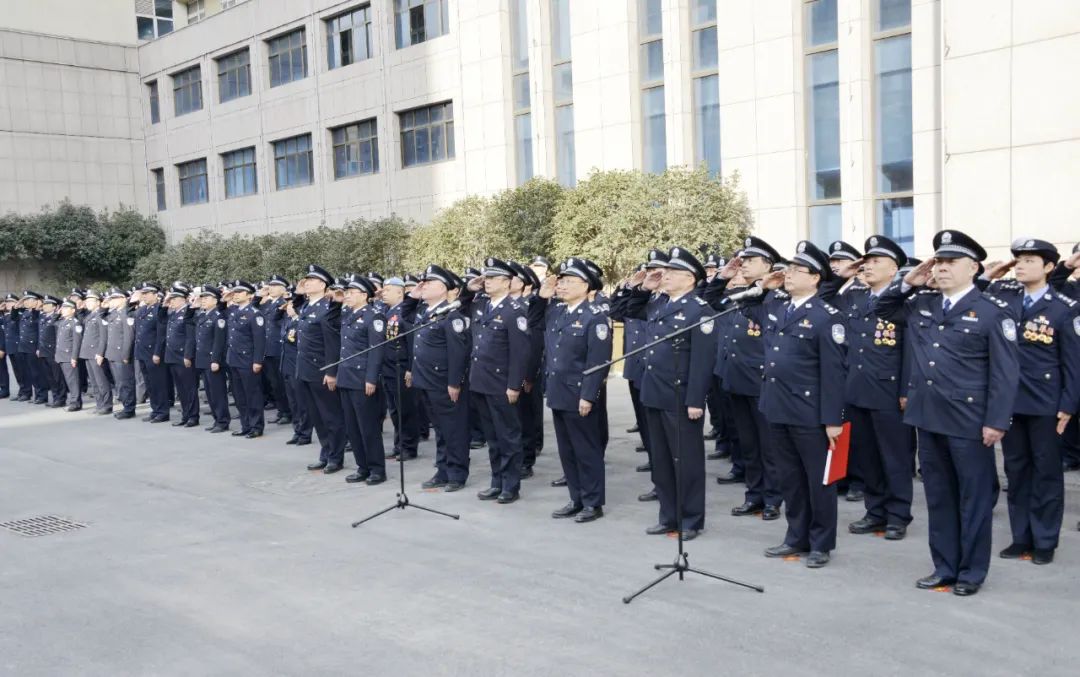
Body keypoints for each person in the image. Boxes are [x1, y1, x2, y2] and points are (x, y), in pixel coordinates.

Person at [876, 229, 1020, 596]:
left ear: (973, 268)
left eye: (951, 262)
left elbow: (1005, 374)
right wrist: (907, 282)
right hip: (928, 416)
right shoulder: (923, 303)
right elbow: (882, 309)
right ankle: (944, 567)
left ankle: (971, 572)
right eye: (938, 262)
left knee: (973, 499)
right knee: (939, 498)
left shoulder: (992, 312)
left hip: (969, 421)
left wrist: (996, 421)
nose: (941, 268)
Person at [981, 239, 1079, 564]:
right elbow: (975, 296)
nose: (1021, 266)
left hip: (1046, 404)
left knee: (1046, 473)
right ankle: (1021, 537)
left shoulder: (1063, 307)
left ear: (1049, 267)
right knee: (1017, 471)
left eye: (1029, 260)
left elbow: (1073, 363)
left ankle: (1045, 541)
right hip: (1009, 402)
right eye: (1018, 260)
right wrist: (989, 274)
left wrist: (1068, 406)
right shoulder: (1004, 299)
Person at [750, 241, 846, 568]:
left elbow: (834, 374)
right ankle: (796, 536)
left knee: (818, 481)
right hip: (777, 407)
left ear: (815, 277)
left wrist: (833, 420)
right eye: (787, 269)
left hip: (810, 412)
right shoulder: (778, 308)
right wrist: (763, 286)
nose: (788, 274)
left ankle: (821, 543)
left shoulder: (826, 317)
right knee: (789, 478)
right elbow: (742, 306)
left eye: (796, 270)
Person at [616, 247, 717, 540]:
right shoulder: (659, 303)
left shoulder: (699, 310)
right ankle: (668, 515)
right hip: (654, 392)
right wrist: (643, 289)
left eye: (673, 272)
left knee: (686, 461)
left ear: (690, 278)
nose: (665, 275)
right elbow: (627, 312)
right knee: (661, 461)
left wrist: (696, 400)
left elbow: (702, 361)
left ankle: (691, 519)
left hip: (680, 396)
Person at [833, 235, 916, 540]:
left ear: (894, 269)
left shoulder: (906, 303)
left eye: (875, 261)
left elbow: (911, 350)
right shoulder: (855, 298)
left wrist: (906, 390)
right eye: (865, 262)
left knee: (895, 457)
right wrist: (841, 275)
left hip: (889, 392)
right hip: (857, 389)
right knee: (866, 456)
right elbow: (825, 297)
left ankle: (898, 515)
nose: (867, 266)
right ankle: (875, 510)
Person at [703, 237, 785, 520]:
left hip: (762, 383)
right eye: (743, 261)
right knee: (748, 445)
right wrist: (722, 278)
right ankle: (754, 494)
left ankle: (773, 498)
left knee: (768, 446)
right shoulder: (743, 294)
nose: (744, 265)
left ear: (768, 265)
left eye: (750, 261)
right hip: (737, 380)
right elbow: (710, 301)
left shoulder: (778, 296)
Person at [539, 258, 612, 523]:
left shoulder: (595, 317)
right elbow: (534, 320)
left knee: (586, 451)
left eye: (570, 281)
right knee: (567, 451)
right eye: (562, 281)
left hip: (579, 394)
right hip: (558, 392)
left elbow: (598, 362)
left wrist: (588, 396)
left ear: (586, 285)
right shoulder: (558, 312)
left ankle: (593, 502)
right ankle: (576, 498)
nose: (563, 285)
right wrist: (542, 296)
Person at [465, 257, 531, 504]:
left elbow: (520, 353)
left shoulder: (514, 311)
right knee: (492, 438)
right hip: (480, 381)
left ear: (506, 282)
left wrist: (514, 385)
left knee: (508, 436)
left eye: (493, 278)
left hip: (501, 384)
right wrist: (470, 288)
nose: (487, 282)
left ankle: (510, 486)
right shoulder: (482, 305)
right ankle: (496, 482)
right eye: (486, 278)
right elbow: (461, 305)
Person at [404, 265, 472, 491]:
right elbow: (404, 315)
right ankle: (443, 470)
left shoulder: (452, 316)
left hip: (443, 383)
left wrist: (454, 382)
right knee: (441, 431)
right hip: (425, 381)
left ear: (443, 288)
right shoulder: (426, 312)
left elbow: (458, 353)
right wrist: (412, 296)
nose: (423, 286)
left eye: (429, 283)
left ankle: (457, 473)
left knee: (454, 429)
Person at [295, 264, 347, 474]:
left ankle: (336, 457)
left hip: (321, 370)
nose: (307, 283)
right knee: (317, 416)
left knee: (331, 416)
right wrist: (298, 292)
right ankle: (325, 453)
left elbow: (332, 343)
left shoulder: (327, 308)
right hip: (306, 370)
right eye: (306, 280)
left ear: (323, 284)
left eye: (312, 280)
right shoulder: (307, 307)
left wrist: (331, 372)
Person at [338, 275, 388, 485]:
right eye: (346, 292)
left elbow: (376, 351)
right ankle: (362, 466)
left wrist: (371, 378)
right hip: (346, 377)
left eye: (351, 292)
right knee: (352, 427)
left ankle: (377, 469)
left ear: (364, 295)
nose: (347, 295)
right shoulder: (348, 314)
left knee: (368, 426)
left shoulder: (374, 317)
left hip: (362, 379)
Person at [379, 277, 419, 462]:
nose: (383, 293)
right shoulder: (385, 311)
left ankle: (408, 446)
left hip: (401, 367)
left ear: (399, 292)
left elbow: (411, 342)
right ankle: (398, 444)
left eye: (388, 290)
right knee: (394, 410)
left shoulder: (405, 312)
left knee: (405, 409)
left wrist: (410, 369)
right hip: (387, 367)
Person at [226, 280, 266, 439]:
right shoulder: (233, 311)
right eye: (234, 292)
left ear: (249, 295)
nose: (235, 295)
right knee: (239, 396)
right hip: (234, 359)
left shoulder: (255, 314)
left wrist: (257, 361)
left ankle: (256, 426)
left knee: (252, 395)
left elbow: (259, 340)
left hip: (248, 360)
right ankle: (246, 425)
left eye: (239, 292)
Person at [195, 285, 230, 433]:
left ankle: (222, 421)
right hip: (203, 359)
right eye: (202, 298)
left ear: (215, 300)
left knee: (218, 393)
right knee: (210, 393)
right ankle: (217, 419)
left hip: (213, 360)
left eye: (206, 298)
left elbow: (219, 341)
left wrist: (215, 360)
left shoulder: (218, 317)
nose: (203, 300)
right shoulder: (203, 316)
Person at [163, 283, 199, 428]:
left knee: (189, 388)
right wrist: (164, 305)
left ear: (183, 299)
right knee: (181, 389)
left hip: (183, 356)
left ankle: (193, 416)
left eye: (174, 299)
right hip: (172, 356)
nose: (171, 301)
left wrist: (188, 356)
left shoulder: (188, 313)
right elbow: (160, 319)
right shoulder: (172, 313)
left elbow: (190, 337)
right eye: (170, 299)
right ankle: (185, 415)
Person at [135, 282, 170, 423]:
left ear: (156, 295)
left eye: (147, 293)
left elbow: (161, 334)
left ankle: (163, 412)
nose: (144, 296)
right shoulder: (141, 310)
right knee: (149, 384)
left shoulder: (159, 310)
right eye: (143, 294)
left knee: (158, 384)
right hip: (142, 352)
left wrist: (157, 353)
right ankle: (155, 409)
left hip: (153, 353)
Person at [281, 295, 312, 446]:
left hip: (297, 367)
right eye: (287, 306)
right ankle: (297, 430)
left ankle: (305, 433)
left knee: (301, 403)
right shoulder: (288, 322)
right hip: (287, 366)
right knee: (293, 403)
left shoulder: (300, 323)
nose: (288, 308)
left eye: (290, 306)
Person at [261, 275, 292, 426]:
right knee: (274, 384)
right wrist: (259, 295)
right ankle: (282, 410)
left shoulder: (285, 304)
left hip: (279, 349)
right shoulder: (268, 304)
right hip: (268, 349)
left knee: (282, 384)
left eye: (274, 286)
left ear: (283, 289)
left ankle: (288, 412)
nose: (271, 289)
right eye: (270, 286)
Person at [102, 287, 136, 419]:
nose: (112, 301)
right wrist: (104, 307)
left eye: (114, 298)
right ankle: (125, 405)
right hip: (112, 353)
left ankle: (129, 408)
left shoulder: (127, 314)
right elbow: (101, 317)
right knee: (119, 382)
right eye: (111, 299)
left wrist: (126, 355)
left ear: (123, 299)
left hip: (122, 354)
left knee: (126, 382)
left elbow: (129, 337)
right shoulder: (113, 314)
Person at [79, 290, 112, 414]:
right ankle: (99, 404)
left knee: (101, 380)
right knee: (94, 382)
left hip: (96, 352)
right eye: (86, 300)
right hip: (87, 352)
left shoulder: (100, 315)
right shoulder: (89, 316)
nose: (87, 303)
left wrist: (100, 353)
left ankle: (107, 405)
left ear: (98, 302)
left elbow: (103, 336)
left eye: (90, 301)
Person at [17, 291, 48, 404]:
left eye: (29, 300)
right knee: (29, 372)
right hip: (24, 346)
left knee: (37, 372)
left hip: (33, 347)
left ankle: (42, 395)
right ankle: (36, 395)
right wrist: (18, 304)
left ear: (36, 302)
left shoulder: (38, 313)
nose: (26, 302)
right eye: (25, 300)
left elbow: (39, 331)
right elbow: (14, 315)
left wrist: (37, 306)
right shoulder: (25, 312)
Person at [53, 300, 83, 411]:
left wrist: (74, 357)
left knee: (72, 380)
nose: (63, 310)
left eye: (66, 308)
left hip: (68, 356)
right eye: (63, 308)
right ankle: (73, 401)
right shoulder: (62, 322)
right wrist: (57, 313)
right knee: (68, 380)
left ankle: (76, 403)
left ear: (73, 310)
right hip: (61, 355)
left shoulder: (75, 323)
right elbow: (52, 322)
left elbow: (77, 342)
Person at [37, 295, 65, 407]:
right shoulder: (42, 317)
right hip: (44, 351)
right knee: (50, 377)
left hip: (53, 351)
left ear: (54, 307)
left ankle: (61, 398)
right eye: (44, 304)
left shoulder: (58, 318)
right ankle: (55, 397)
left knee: (57, 376)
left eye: (48, 305)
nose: (44, 306)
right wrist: (39, 348)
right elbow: (40, 335)